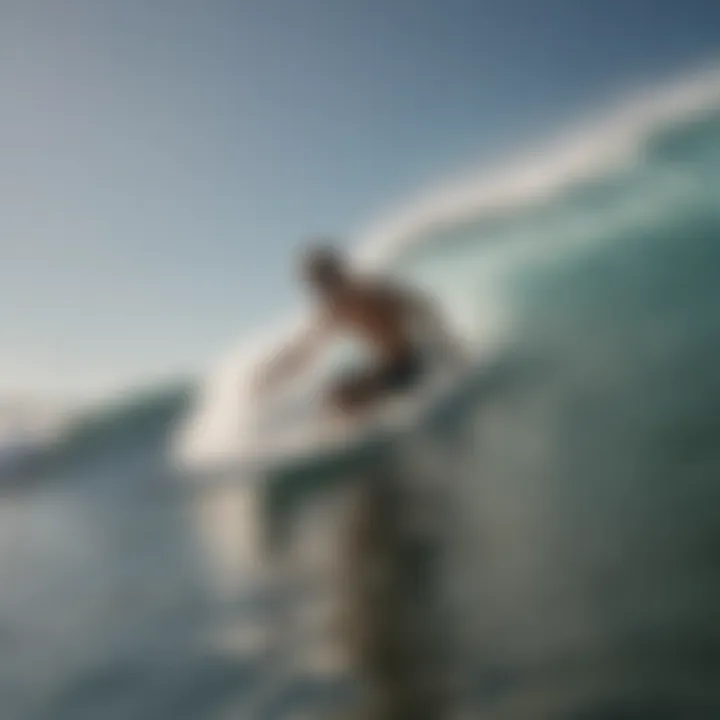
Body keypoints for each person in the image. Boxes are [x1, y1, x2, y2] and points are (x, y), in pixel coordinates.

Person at [255, 242, 463, 415]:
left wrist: (449, 345)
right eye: (316, 284)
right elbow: (308, 349)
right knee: (333, 395)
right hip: (389, 367)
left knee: (344, 397)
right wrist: (274, 377)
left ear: (336, 273)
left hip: (413, 362)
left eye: (322, 280)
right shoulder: (334, 309)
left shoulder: (370, 292)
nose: (320, 289)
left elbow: (419, 306)